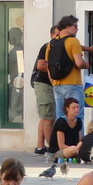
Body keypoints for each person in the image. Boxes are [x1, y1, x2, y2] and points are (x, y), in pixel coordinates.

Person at [46, 14, 93, 123]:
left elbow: (48, 65)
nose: (77, 29)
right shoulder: (73, 41)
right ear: (68, 26)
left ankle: (61, 139)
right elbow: (79, 63)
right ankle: (77, 140)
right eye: (75, 26)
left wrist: (53, 82)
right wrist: (86, 65)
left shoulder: (51, 44)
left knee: (60, 117)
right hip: (72, 84)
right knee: (77, 116)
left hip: (56, 85)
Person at [32, 26, 59, 155]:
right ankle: (52, 149)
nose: (60, 37)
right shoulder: (47, 46)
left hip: (44, 85)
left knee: (44, 117)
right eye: (57, 35)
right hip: (44, 84)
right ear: (52, 35)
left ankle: (40, 147)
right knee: (48, 118)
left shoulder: (60, 46)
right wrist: (58, 67)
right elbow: (40, 65)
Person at [49, 97, 84, 161]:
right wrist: (76, 149)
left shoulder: (79, 121)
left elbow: (79, 140)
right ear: (67, 109)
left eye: (77, 107)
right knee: (73, 149)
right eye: (73, 108)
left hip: (74, 150)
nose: (76, 109)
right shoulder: (61, 122)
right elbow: (61, 146)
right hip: (58, 152)